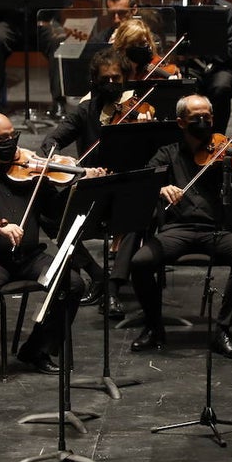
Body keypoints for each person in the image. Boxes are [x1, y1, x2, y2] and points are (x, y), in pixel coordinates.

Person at [0, 111, 84, 378]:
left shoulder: (29, 169)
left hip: (28, 257)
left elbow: (54, 211)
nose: (12, 143)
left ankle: (36, 349)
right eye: (3, 139)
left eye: (13, 136)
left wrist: (76, 187)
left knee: (73, 283)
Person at [127, 94, 232, 359]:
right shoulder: (167, 153)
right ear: (180, 122)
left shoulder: (225, 154)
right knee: (140, 262)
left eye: (207, 117)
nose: (203, 121)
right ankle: (154, 327)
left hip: (218, 229)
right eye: (196, 118)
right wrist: (160, 187)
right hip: (178, 230)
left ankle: (222, 330)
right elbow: (143, 182)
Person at [40, 47, 147, 315]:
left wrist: (146, 128)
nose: (111, 84)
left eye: (116, 79)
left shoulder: (137, 110)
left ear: (125, 79)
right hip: (92, 187)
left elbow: (156, 153)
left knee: (137, 213)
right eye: (105, 79)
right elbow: (51, 141)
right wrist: (69, 167)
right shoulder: (85, 111)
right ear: (94, 81)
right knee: (50, 215)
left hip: (125, 186)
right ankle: (97, 274)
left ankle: (112, 290)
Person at [179, 0, 232, 130]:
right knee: (181, 85)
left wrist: (205, 50)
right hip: (189, 67)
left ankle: (216, 137)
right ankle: (187, 137)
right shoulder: (178, 8)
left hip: (220, 68)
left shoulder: (226, 10)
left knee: (221, 86)